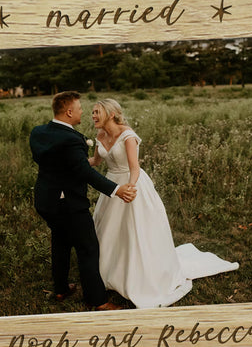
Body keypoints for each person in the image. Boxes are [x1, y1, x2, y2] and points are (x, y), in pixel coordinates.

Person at [89, 98, 237, 308]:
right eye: (92, 112)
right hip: (111, 186)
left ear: (111, 114)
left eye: (97, 112)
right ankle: (108, 272)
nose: (93, 116)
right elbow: (95, 161)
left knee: (135, 230)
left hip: (131, 184)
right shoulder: (100, 136)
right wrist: (72, 161)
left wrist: (131, 187)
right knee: (109, 230)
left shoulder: (127, 135)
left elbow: (134, 168)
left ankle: (139, 274)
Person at [30, 91, 137, 311]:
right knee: (88, 248)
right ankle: (98, 301)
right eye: (80, 109)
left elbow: (52, 160)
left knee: (60, 241)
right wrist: (116, 190)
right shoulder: (72, 139)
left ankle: (61, 289)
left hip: (45, 200)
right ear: (69, 112)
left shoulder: (38, 132)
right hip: (68, 203)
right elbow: (84, 172)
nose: (83, 112)